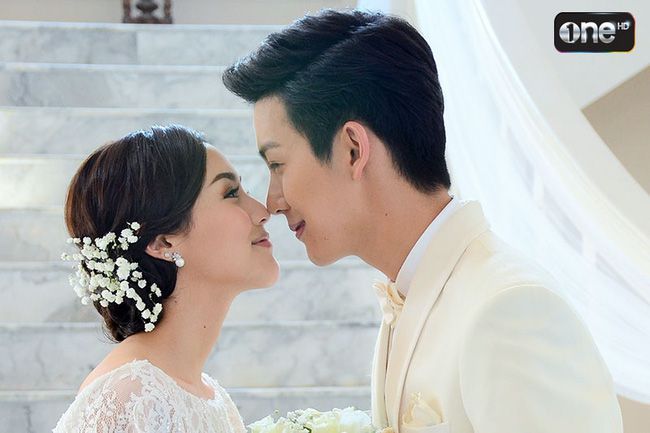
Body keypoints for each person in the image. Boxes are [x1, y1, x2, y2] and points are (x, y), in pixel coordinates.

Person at [222, 9, 623, 433]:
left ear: (353, 149)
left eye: (278, 164)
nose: (273, 201)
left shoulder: (510, 310)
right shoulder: (410, 298)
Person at [53, 125, 278, 432]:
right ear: (163, 242)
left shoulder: (211, 398)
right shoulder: (131, 396)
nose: (263, 211)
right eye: (231, 193)